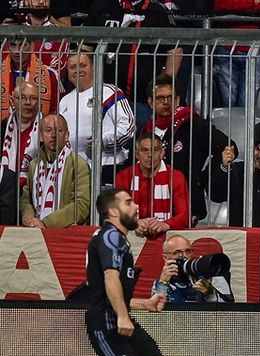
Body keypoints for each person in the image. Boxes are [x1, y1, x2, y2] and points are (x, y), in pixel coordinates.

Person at [67, 188, 189, 356]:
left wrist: (143, 303)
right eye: (129, 202)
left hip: (119, 317)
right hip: (106, 323)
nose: (136, 206)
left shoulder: (116, 239)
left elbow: (111, 291)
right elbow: (110, 280)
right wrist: (123, 316)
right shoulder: (111, 237)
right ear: (113, 211)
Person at [143, 74, 234, 224]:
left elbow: (226, 146)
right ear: (150, 102)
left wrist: (202, 179)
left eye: (170, 97)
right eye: (160, 98)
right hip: (152, 205)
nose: (166, 102)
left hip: (186, 205)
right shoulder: (144, 131)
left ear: (178, 100)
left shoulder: (193, 124)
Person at [84, 0, 183, 127]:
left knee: (145, 142)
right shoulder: (101, 7)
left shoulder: (156, 10)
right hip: (106, 99)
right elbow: (86, 48)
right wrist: (89, 86)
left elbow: (175, 50)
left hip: (145, 100)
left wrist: (164, 86)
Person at [59, 47, 136, 187]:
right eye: (72, 67)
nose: (77, 70)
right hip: (75, 171)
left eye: (83, 65)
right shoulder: (64, 101)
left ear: (94, 68)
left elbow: (129, 126)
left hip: (107, 168)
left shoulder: (108, 92)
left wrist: (103, 141)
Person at [20, 114, 91, 228]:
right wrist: (29, 218)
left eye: (59, 131)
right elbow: (26, 200)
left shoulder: (78, 164)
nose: (53, 135)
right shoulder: (34, 165)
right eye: (48, 131)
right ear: (41, 137)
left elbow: (81, 205)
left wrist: (47, 223)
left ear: (66, 135)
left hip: (66, 233)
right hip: (35, 231)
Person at [114, 132, 190, 236]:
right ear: (137, 154)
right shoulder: (123, 177)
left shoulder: (176, 177)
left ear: (162, 153)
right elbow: (116, 213)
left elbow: (184, 215)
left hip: (168, 237)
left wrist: (165, 225)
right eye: (144, 150)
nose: (149, 155)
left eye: (155, 150)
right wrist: (134, 223)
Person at [0, 22, 63, 122]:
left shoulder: (50, 75)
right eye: (13, 45)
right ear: (7, 47)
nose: (17, 51)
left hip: (37, 133)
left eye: (22, 45)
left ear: (31, 46)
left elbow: (55, 111)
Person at [152, 234, 234, 303]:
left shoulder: (212, 274)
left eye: (187, 251)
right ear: (166, 258)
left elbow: (228, 313)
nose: (184, 256)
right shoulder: (161, 282)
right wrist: (163, 283)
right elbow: (156, 316)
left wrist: (210, 294)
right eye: (177, 252)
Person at [1, 79, 41, 184]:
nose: (28, 103)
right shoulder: (3, 129)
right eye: (22, 98)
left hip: (35, 190)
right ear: (12, 101)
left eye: (33, 98)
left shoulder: (47, 130)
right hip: (5, 191)